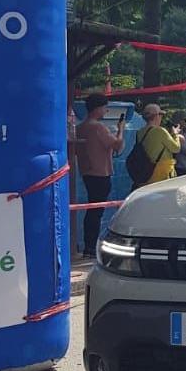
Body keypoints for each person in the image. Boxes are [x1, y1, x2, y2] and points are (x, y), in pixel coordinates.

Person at [75, 93, 126, 255]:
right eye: (104, 108)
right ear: (98, 108)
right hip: (101, 173)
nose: (105, 111)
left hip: (87, 172)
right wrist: (120, 130)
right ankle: (91, 247)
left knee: (91, 210)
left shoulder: (80, 127)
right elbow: (117, 146)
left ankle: (89, 245)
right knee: (96, 212)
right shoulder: (98, 127)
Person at [134, 103, 182, 186]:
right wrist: (175, 135)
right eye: (161, 114)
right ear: (156, 116)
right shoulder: (160, 131)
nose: (161, 117)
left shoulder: (139, 132)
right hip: (162, 175)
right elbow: (176, 148)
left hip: (146, 174)